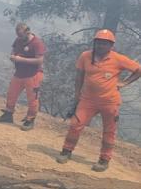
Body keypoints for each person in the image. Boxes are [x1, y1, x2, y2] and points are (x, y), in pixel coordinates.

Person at [56, 29, 141, 172]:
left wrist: (125, 83)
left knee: (109, 131)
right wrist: (77, 96)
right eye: (99, 43)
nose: (101, 46)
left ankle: (104, 159)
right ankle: (66, 151)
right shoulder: (85, 56)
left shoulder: (118, 59)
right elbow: (79, 77)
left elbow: (138, 70)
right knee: (76, 124)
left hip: (110, 102)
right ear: (95, 43)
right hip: (87, 100)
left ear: (111, 45)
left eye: (105, 44)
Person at [0, 23, 46, 131]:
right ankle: (8, 114)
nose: (19, 38)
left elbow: (39, 60)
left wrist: (21, 60)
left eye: (21, 35)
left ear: (28, 32)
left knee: (32, 99)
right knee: (11, 94)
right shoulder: (18, 40)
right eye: (18, 35)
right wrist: (13, 56)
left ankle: (30, 119)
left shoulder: (37, 43)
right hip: (19, 73)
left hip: (33, 75)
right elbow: (14, 49)